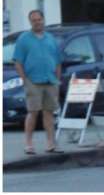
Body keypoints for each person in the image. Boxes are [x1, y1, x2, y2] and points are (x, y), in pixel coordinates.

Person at [12, 9, 64, 154]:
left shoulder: (51, 38)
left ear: (43, 20)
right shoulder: (24, 39)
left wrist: (57, 80)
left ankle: (50, 144)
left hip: (50, 81)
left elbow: (58, 62)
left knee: (49, 113)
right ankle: (29, 145)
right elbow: (17, 62)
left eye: (39, 19)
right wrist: (25, 80)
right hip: (33, 81)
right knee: (33, 112)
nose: (37, 22)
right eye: (33, 20)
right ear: (30, 22)